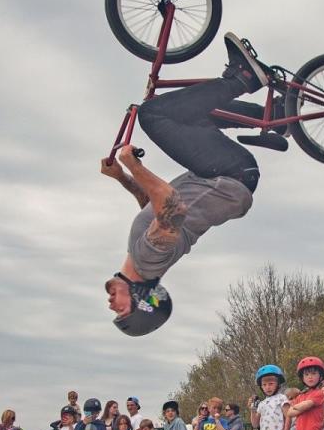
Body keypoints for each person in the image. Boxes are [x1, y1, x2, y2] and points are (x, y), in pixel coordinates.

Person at [105, 33, 287, 337]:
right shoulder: (148, 262)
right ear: (141, 300)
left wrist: (122, 178)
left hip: (226, 174)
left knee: (185, 112)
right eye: (122, 309)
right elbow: (171, 205)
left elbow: (153, 207)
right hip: (229, 175)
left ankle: (277, 117)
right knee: (153, 114)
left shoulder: (144, 257)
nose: (111, 304)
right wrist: (134, 166)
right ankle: (244, 79)